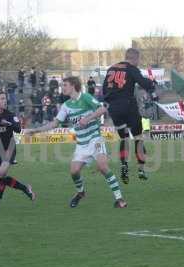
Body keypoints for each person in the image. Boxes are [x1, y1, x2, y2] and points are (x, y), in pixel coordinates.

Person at [26, 76, 127, 208]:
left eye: (65, 85)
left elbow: (102, 109)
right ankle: (81, 193)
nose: (63, 87)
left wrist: (88, 118)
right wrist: (36, 131)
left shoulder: (85, 97)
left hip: (95, 139)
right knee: (74, 171)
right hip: (81, 144)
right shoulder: (66, 106)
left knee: (103, 167)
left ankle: (119, 199)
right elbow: (55, 123)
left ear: (73, 86)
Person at [103, 48, 156, 184]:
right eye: (138, 60)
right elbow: (143, 83)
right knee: (138, 137)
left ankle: (124, 167)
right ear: (135, 58)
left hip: (114, 109)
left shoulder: (111, 68)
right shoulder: (131, 68)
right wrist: (152, 83)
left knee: (124, 138)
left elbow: (104, 90)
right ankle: (141, 169)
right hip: (128, 106)